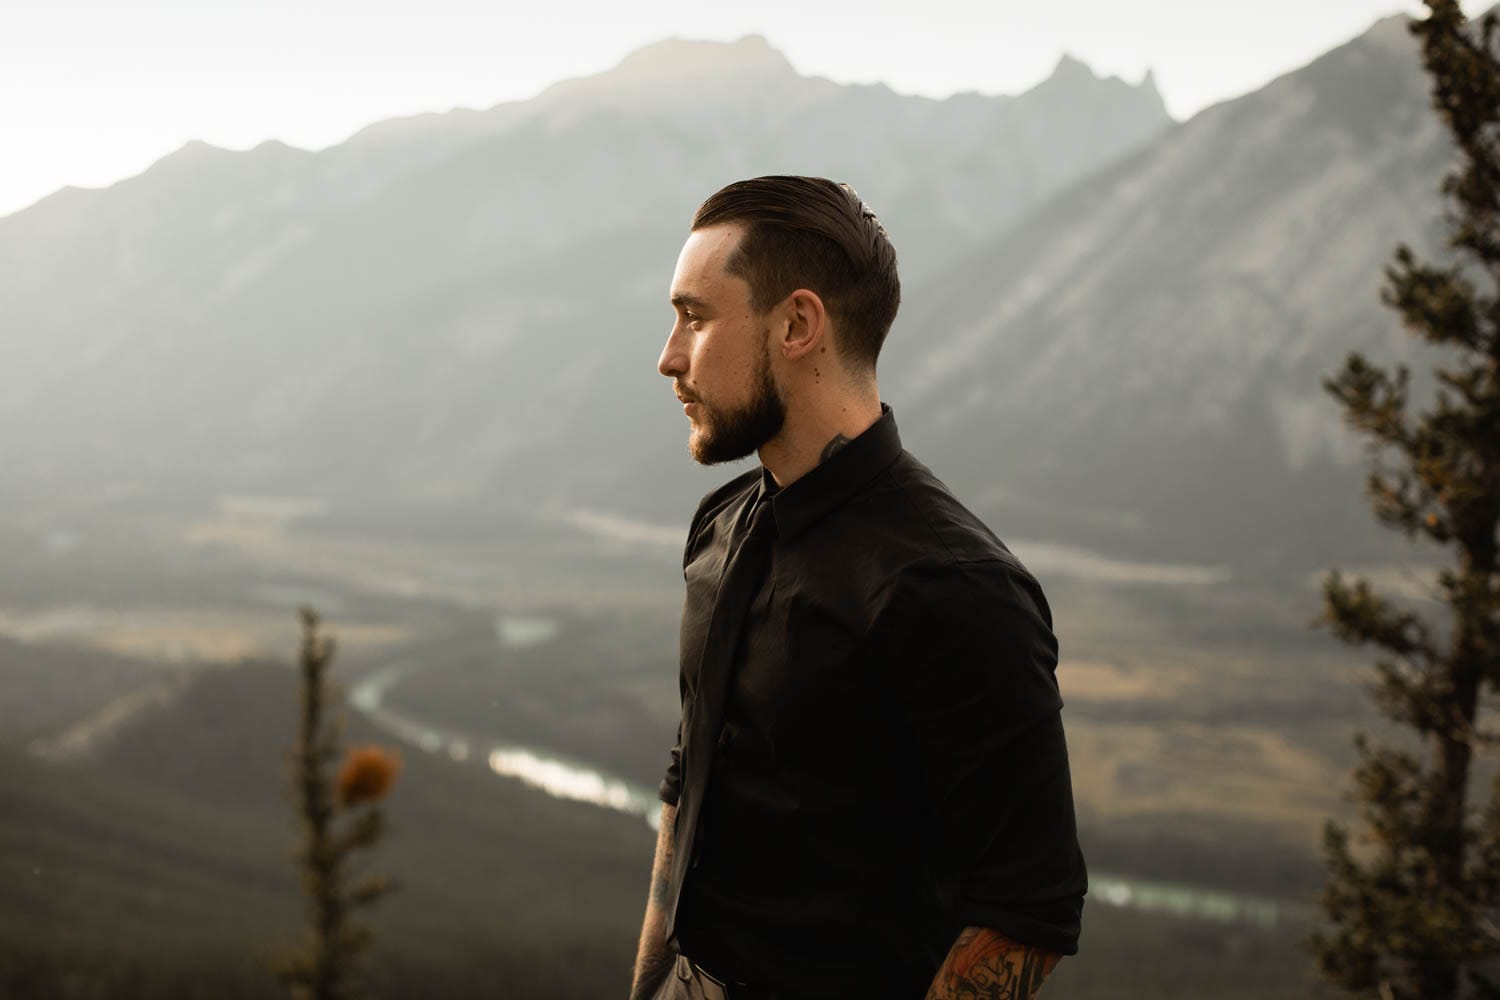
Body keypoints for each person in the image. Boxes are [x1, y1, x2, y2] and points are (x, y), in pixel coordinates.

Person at [630, 176, 1087, 1000]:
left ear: (798, 324)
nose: (668, 355)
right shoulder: (722, 526)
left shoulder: (953, 587)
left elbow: (1026, 910)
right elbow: (688, 777)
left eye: (695, 318)